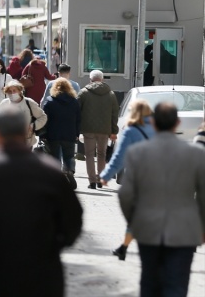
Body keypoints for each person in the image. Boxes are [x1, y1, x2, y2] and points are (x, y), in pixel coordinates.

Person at [0, 107, 83, 296]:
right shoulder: (50, 172)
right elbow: (73, 221)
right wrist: (52, 246)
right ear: (27, 130)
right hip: (39, 273)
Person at [119, 103, 205, 297]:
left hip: (147, 226)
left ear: (154, 123)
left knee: (149, 282)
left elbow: (125, 194)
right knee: (177, 284)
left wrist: (134, 219)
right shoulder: (197, 153)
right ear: (177, 123)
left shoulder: (137, 153)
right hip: (185, 229)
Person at [100, 99, 155, 261]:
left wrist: (106, 175)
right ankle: (125, 247)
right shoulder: (157, 129)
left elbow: (119, 157)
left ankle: (127, 247)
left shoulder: (131, 131)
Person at [78, 70, 119, 189]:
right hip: (105, 130)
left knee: (89, 154)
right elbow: (114, 114)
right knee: (102, 154)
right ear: (102, 79)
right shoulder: (110, 94)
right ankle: (100, 179)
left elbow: (77, 109)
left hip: (88, 129)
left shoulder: (84, 92)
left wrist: (78, 127)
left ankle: (92, 182)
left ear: (90, 79)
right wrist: (113, 131)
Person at [42, 78, 81, 189]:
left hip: (53, 134)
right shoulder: (74, 102)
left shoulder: (50, 101)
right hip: (70, 134)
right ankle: (69, 171)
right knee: (69, 156)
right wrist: (77, 133)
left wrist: (43, 134)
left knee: (54, 158)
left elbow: (45, 119)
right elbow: (78, 119)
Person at [0, 80, 47, 148]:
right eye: (10, 91)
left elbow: (43, 117)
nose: (12, 93)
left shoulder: (29, 103)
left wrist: (33, 126)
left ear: (20, 91)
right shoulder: (4, 104)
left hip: (26, 141)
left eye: (14, 90)